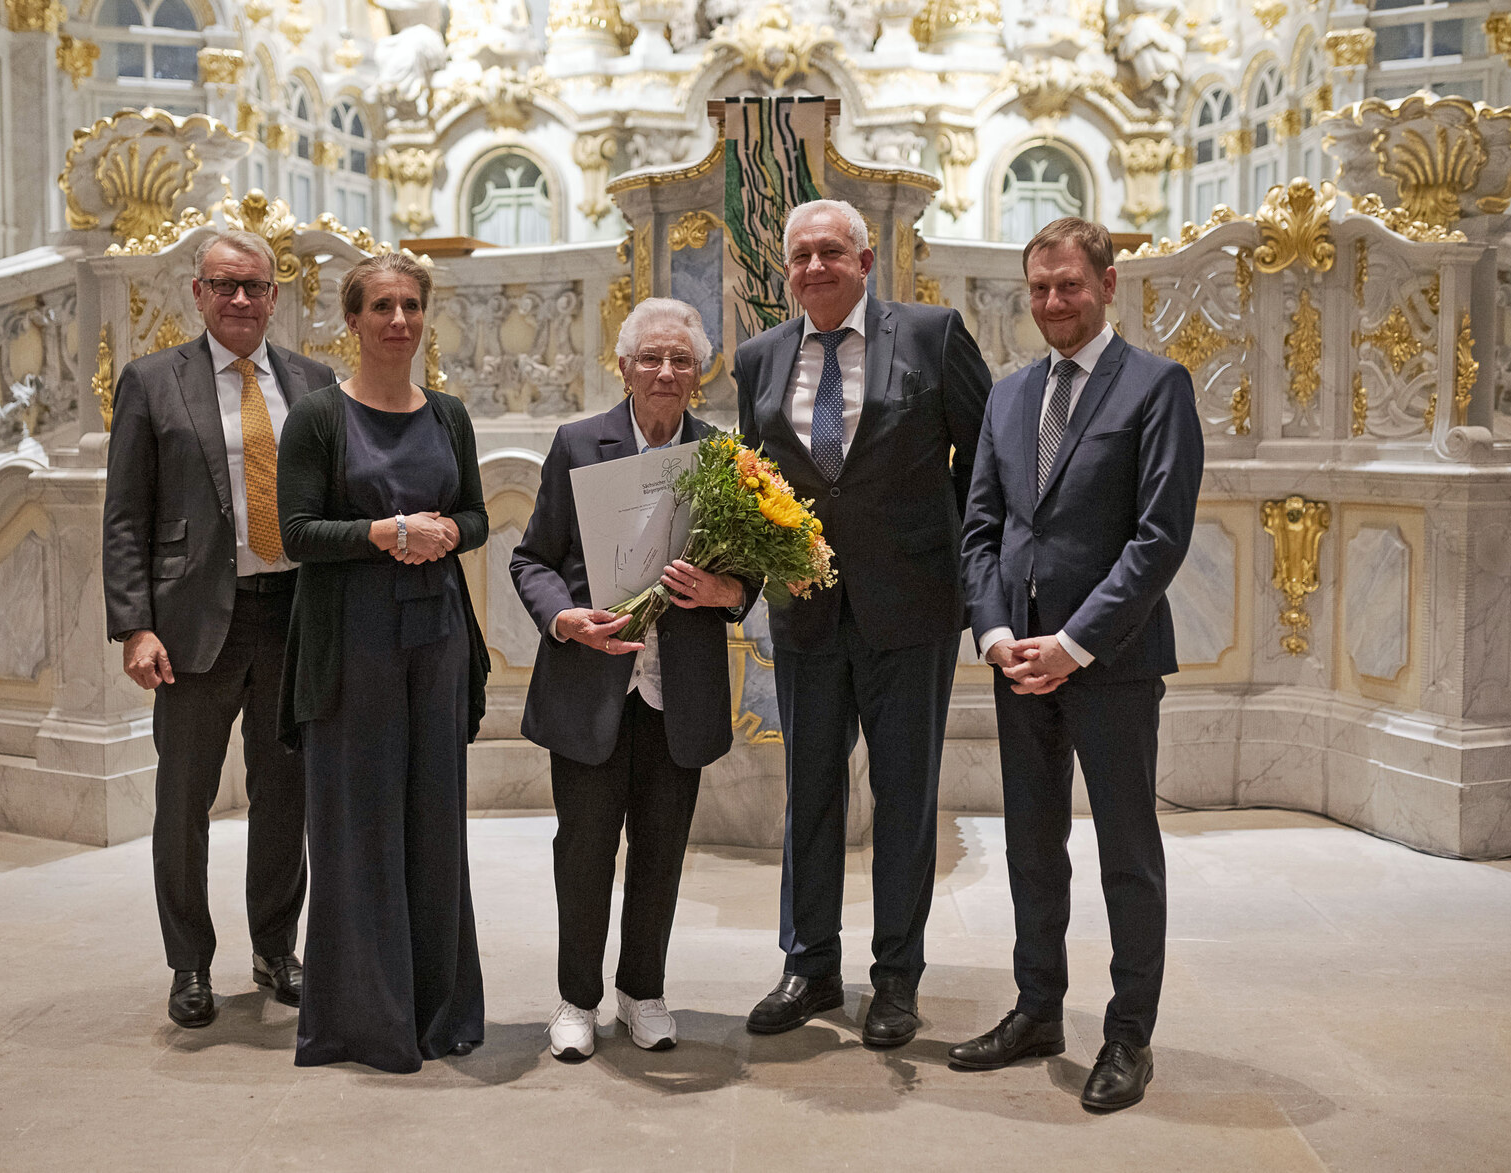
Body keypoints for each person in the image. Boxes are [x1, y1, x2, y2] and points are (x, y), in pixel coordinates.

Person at [953, 217, 1202, 1111]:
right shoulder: (1010, 395)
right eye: (1040, 288)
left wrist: (1074, 642)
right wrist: (993, 635)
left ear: (1106, 285)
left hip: (1114, 661)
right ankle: (1037, 1006)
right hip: (1017, 660)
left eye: (1069, 285)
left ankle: (1129, 1034)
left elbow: (1158, 537)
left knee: (1127, 852)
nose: (1054, 302)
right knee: (1030, 844)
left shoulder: (1155, 386)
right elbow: (981, 529)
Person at [733, 199, 992, 1046]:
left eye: (831, 252)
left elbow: (982, 460)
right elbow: (753, 478)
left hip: (910, 608)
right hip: (806, 611)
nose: (814, 267)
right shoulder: (758, 359)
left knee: (905, 796)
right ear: (787, 269)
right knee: (810, 794)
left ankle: (895, 978)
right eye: (801, 255)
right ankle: (808, 966)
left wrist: (944, 554)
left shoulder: (930, 335)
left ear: (866, 259)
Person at [510, 299, 753, 1062]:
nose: (666, 372)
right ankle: (576, 998)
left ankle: (643, 991)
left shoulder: (724, 455)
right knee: (583, 851)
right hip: (592, 688)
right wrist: (565, 618)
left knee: (661, 851)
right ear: (624, 367)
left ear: (699, 372)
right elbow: (532, 558)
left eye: (682, 360)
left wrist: (729, 593)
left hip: (674, 695)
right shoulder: (580, 443)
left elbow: (749, 572)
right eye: (651, 358)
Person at [103, 229, 331, 1029]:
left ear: (276, 296)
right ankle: (189, 962)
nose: (240, 299)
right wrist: (134, 625)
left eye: (254, 287)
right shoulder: (152, 381)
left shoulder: (312, 380)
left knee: (285, 798)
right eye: (223, 285)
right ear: (197, 294)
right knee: (183, 802)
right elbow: (126, 516)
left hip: (293, 617)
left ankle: (276, 948)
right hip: (194, 623)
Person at [274, 252, 490, 1073]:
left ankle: (438, 1014)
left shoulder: (451, 415)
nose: (398, 320)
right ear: (353, 320)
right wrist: (385, 533)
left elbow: (472, 515)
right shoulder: (320, 418)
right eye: (381, 307)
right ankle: (365, 1022)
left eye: (410, 305)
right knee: (358, 828)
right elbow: (293, 535)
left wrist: (445, 533)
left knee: (434, 826)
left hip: (435, 639)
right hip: (352, 643)